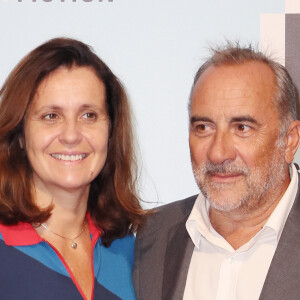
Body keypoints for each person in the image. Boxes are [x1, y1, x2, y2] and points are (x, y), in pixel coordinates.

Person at [133, 43, 300, 300]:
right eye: (204, 127)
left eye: (242, 128)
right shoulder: (151, 236)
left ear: (289, 141)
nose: (218, 153)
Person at [0, 37, 146, 300]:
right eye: (51, 116)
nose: (71, 135)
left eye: (88, 115)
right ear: (20, 134)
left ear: (111, 131)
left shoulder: (128, 249)